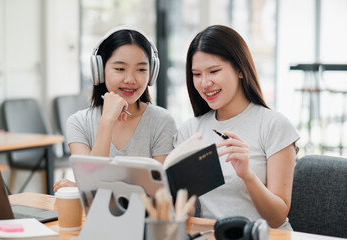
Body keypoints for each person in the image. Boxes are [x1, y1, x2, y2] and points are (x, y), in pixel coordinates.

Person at [174, 25, 299, 230]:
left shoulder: (274, 125)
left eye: (214, 71)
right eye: (197, 74)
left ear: (240, 69)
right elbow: (186, 210)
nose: (205, 83)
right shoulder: (190, 131)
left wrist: (247, 174)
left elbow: (277, 218)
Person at [54, 26, 177, 192]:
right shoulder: (78, 123)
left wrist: (82, 187)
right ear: (100, 70)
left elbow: (159, 192)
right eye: (120, 69)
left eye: (141, 69)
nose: (130, 79)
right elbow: (90, 184)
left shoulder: (162, 121)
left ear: (152, 73)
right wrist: (107, 121)